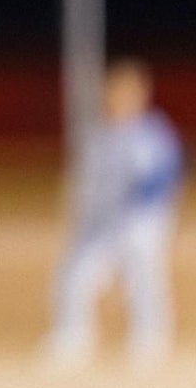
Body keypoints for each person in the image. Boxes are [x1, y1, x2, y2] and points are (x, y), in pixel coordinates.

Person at [46, 59, 184, 371]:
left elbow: (164, 177)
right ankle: (72, 339)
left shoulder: (152, 133)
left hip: (140, 223)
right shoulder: (99, 135)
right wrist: (80, 214)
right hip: (101, 224)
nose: (117, 99)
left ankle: (150, 340)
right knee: (75, 277)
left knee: (144, 279)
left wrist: (141, 215)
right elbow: (85, 183)